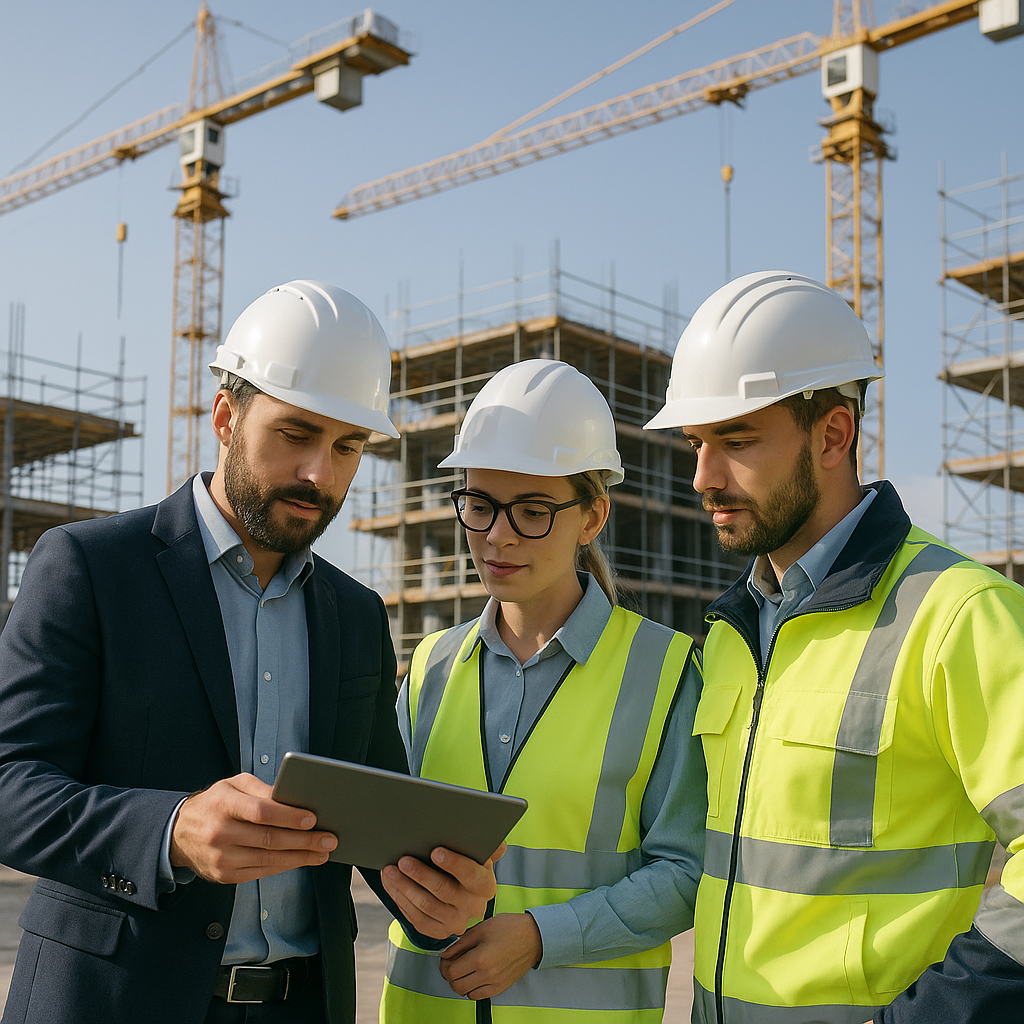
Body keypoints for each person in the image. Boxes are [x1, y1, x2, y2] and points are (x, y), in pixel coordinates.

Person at [0, 280, 500, 1024]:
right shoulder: (89, 566)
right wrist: (169, 831)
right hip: (113, 1002)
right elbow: (10, 786)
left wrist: (436, 896)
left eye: (348, 446)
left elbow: (373, 816)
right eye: (296, 434)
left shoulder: (357, 614)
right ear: (226, 417)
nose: (321, 476)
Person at [644, 270, 1024, 1024]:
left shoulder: (960, 613)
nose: (702, 477)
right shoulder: (729, 637)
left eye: (737, 440)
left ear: (834, 435)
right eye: (695, 443)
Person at [378, 358, 707, 1023]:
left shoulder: (665, 671)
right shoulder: (432, 669)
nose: (497, 535)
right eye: (480, 506)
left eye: (531, 511)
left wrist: (539, 938)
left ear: (593, 517)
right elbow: (387, 849)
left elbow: (685, 872)